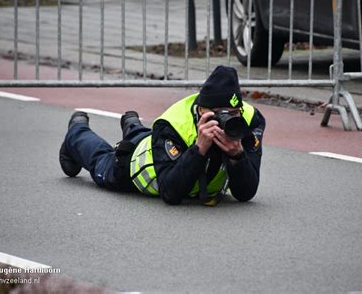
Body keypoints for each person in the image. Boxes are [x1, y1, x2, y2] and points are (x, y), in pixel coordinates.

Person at [59, 65, 266, 206]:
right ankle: (76, 132)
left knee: (142, 135)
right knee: (102, 163)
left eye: (232, 113)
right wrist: (199, 149)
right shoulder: (172, 125)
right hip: (137, 166)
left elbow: (245, 193)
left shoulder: (249, 121)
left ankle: (133, 124)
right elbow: (170, 193)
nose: (227, 121)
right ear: (201, 111)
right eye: (219, 114)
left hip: (159, 145)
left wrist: (237, 156)